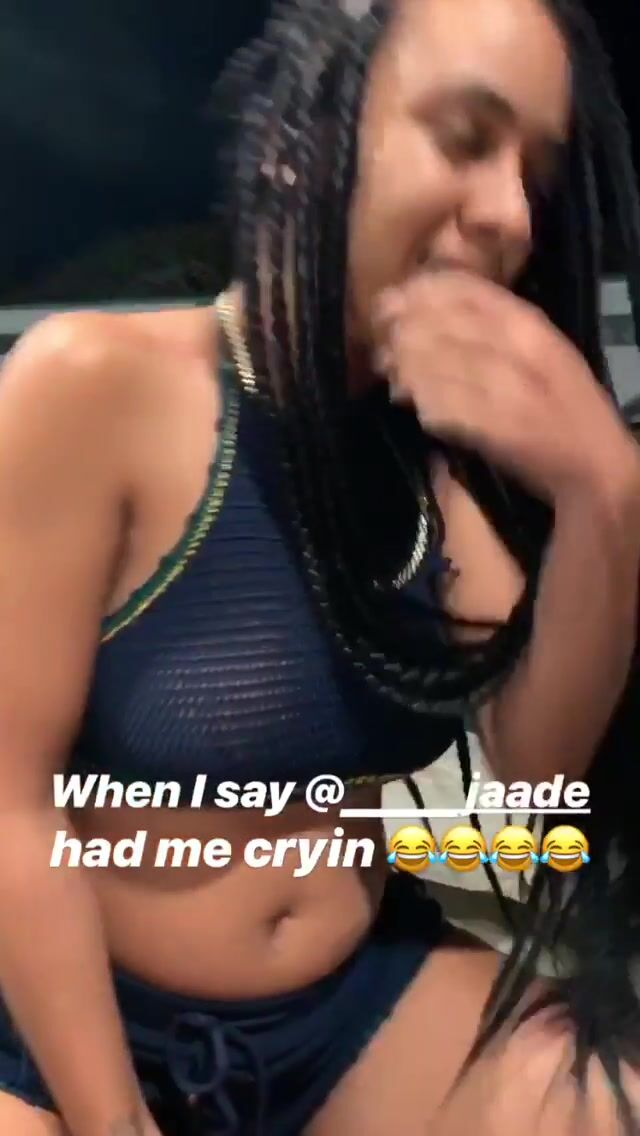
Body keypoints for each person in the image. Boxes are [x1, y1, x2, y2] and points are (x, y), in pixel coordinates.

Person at [1, 0, 640, 1133]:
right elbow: (8, 797)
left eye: (533, 177)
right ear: (301, 144)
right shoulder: (96, 383)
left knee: (599, 1100)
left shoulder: (434, 457)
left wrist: (607, 501)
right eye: (463, 138)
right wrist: (113, 1121)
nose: (509, 214)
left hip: (343, 1018)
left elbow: (523, 784)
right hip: (68, 1024)